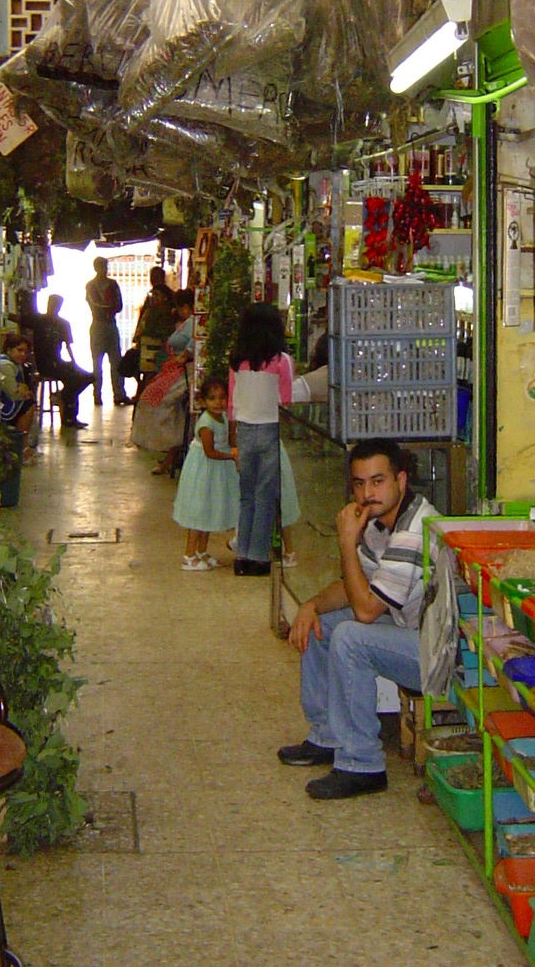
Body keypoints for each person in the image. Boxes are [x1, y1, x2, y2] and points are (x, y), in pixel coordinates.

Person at [277, 439, 438, 801]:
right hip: (407, 630)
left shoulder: (414, 530)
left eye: (378, 481)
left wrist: (347, 542)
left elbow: (365, 610)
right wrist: (313, 606)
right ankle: (327, 736)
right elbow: (352, 587)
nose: (367, 493)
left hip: (442, 655)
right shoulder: (381, 522)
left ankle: (361, 765)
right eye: (359, 483)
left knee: (351, 635)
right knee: (326, 625)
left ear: (401, 480)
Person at [228, 302, 299, 577]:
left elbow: (232, 402)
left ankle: (242, 555)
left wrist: (232, 435)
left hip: (244, 430)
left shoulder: (237, 361)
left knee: (246, 496)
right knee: (266, 496)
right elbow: (287, 400)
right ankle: (259, 556)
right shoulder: (281, 361)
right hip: (270, 430)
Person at [172, 376, 239, 571]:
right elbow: (210, 452)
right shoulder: (206, 424)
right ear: (202, 401)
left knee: (208, 511)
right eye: (212, 398)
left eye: (222, 398)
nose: (218, 402)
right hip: (204, 469)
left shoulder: (224, 417)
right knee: (199, 512)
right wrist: (232, 457)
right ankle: (189, 554)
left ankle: (202, 551)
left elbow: (230, 438)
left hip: (216, 471)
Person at [30, 295, 94, 430]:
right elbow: (18, 318)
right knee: (73, 380)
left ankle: (62, 397)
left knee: (87, 377)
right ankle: (69, 415)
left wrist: (74, 363)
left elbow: (68, 345)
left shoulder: (63, 324)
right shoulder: (38, 320)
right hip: (45, 365)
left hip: (58, 362)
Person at [150, 289, 195, 476]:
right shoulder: (187, 323)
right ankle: (169, 452)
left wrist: (182, 357)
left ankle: (169, 450)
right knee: (156, 400)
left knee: (162, 405)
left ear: (186, 307)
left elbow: (190, 349)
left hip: (184, 373)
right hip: (176, 371)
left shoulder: (193, 323)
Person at [85, 257, 130, 406]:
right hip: (99, 325)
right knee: (97, 363)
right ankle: (97, 395)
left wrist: (105, 307)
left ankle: (119, 394)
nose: (105, 269)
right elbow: (96, 305)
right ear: (95, 267)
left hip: (109, 324)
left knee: (116, 362)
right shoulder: (90, 286)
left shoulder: (112, 284)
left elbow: (118, 305)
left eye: (105, 266)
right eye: (102, 266)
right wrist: (107, 307)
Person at [132, 266, 176, 387]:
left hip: (152, 340)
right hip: (162, 341)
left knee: (145, 369)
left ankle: (142, 392)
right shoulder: (171, 296)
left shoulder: (153, 296)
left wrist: (138, 336)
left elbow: (144, 319)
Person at [0, 331, 37, 459]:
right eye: (19, 350)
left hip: (5, 400)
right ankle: (21, 446)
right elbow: (14, 393)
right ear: (9, 350)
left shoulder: (15, 364)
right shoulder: (6, 366)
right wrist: (23, 390)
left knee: (29, 402)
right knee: (28, 405)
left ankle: (24, 445)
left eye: (26, 352)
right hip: (2, 405)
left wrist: (23, 389)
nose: (23, 354)